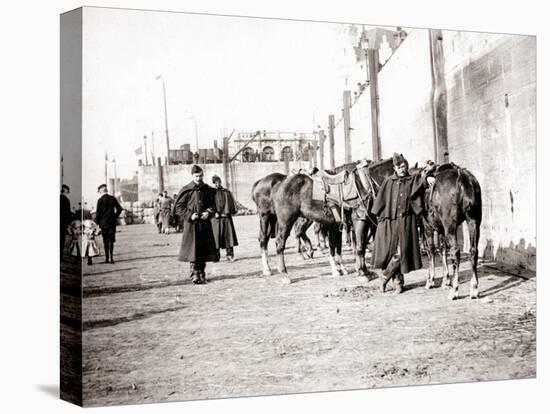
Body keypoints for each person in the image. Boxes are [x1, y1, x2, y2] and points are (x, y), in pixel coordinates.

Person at [371, 153, 426, 293]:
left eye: (405, 166)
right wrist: (382, 219)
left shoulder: (411, 180)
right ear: (394, 168)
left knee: (402, 252)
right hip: (390, 221)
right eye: (400, 167)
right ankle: (398, 283)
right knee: (391, 252)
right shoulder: (389, 181)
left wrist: (428, 178)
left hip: (406, 221)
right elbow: (381, 202)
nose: (403, 169)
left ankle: (384, 278)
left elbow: (421, 185)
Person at [172, 165, 219, 284]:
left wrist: (208, 212)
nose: (199, 178)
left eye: (201, 176)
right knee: (193, 250)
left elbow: (213, 205)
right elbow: (179, 207)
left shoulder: (207, 189)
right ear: (192, 176)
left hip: (204, 224)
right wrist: (190, 215)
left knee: (203, 250)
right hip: (192, 225)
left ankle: (202, 273)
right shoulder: (187, 189)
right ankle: (194, 274)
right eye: (196, 176)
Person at [211, 175, 239, 261]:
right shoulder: (211, 193)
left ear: (220, 182)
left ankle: (230, 255)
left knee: (228, 237)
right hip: (216, 219)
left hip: (226, 218)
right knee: (216, 237)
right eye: (214, 183)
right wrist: (214, 212)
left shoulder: (226, 192)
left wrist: (228, 212)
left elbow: (232, 205)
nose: (216, 185)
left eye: (217, 182)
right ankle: (216, 256)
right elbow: (208, 205)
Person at [95, 184, 123, 264]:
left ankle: (107, 258)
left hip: (103, 224)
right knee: (111, 240)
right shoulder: (112, 198)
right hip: (112, 223)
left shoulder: (100, 200)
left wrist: (98, 223)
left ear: (101, 191)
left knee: (105, 241)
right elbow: (120, 209)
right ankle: (111, 258)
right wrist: (115, 216)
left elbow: (98, 214)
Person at [60, 184, 72, 257]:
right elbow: (68, 213)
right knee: (61, 239)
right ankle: (60, 254)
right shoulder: (66, 200)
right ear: (66, 191)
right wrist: (68, 224)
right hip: (62, 223)